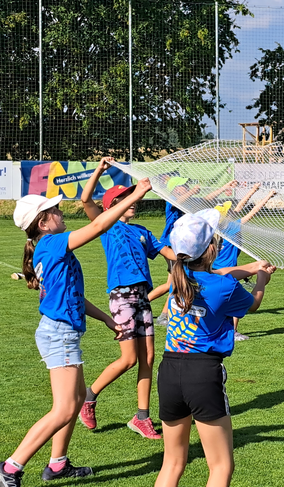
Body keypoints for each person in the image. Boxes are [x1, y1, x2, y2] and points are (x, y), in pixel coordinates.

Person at [0, 178, 152, 487]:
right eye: (56, 210)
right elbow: (98, 226)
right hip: (59, 335)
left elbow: (72, 295)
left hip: (62, 332)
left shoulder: (48, 245)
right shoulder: (51, 244)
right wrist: (137, 194)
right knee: (64, 409)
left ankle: (58, 464)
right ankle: (9, 468)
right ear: (44, 222)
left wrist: (106, 318)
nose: (62, 213)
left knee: (75, 401)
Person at [155, 209, 275, 487]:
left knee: (172, 463)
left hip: (170, 371)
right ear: (212, 248)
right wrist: (261, 280)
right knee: (221, 466)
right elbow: (252, 304)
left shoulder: (179, 272)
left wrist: (252, 266)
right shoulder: (224, 287)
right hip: (202, 372)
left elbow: (219, 273)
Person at [77, 158, 176, 438]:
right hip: (122, 296)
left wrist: (186, 259)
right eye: (124, 197)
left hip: (143, 296)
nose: (132, 201)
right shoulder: (107, 226)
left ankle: (141, 417)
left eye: (132, 196)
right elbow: (86, 200)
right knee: (129, 359)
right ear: (111, 205)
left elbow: (164, 250)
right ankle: (90, 396)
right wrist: (98, 171)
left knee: (149, 357)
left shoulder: (142, 231)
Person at [152, 178, 238, 325]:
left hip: (184, 245)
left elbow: (205, 199)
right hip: (174, 245)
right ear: (174, 189)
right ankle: (162, 313)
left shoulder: (187, 200)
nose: (187, 187)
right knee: (176, 280)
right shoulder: (172, 199)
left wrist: (225, 187)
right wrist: (192, 191)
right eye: (183, 185)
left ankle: (158, 311)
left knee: (172, 282)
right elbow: (177, 202)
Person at [212, 183, 277, 341]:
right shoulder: (233, 227)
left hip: (214, 269)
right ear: (225, 217)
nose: (233, 210)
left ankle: (221, 329)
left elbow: (239, 207)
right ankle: (232, 332)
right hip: (229, 271)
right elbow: (253, 212)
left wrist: (253, 190)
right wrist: (267, 196)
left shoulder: (217, 227)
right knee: (235, 300)